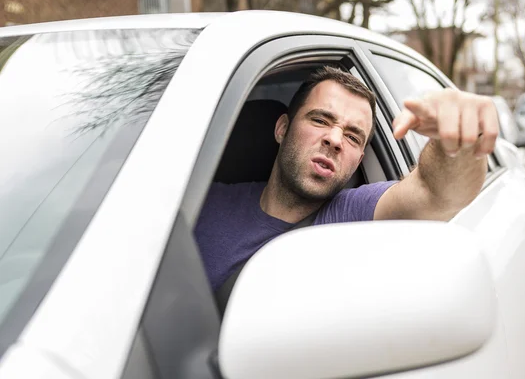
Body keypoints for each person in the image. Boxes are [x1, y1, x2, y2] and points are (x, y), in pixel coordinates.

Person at [195, 66, 499, 291]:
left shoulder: (350, 215)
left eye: (353, 137)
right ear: (282, 129)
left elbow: (435, 193)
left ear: (359, 162)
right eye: (319, 120)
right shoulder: (202, 203)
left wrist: (460, 143)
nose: (335, 139)